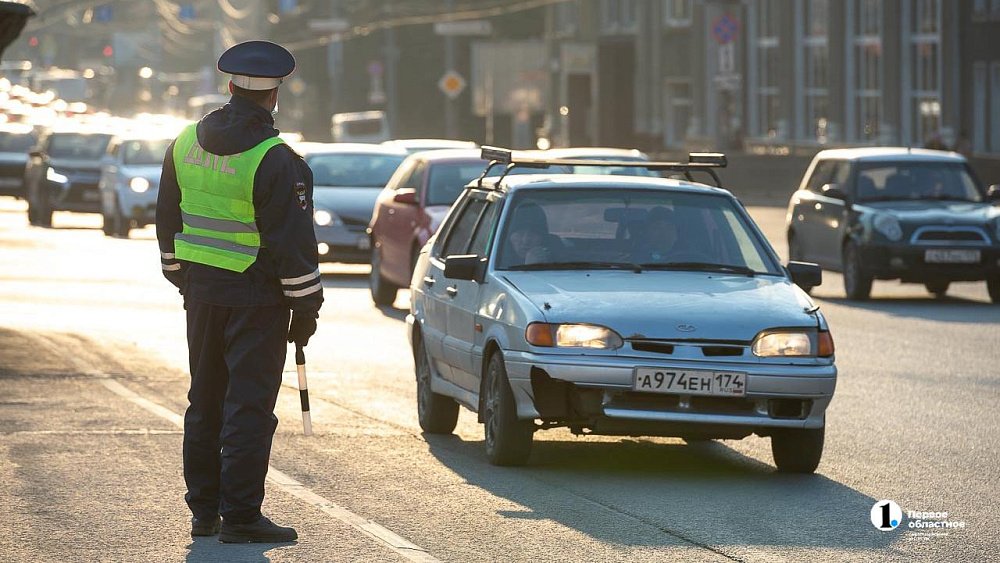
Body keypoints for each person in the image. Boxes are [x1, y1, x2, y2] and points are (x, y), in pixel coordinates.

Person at [156, 40, 323, 544]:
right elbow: (292, 245)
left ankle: (203, 512)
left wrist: (183, 275)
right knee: (248, 408)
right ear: (274, 96)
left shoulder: (183, 142)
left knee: (204, 401)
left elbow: (167, 218)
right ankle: (242, 518)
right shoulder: (276, 159)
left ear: (229, 87)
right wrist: (306, 310)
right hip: (256, 302)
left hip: (202, 295)